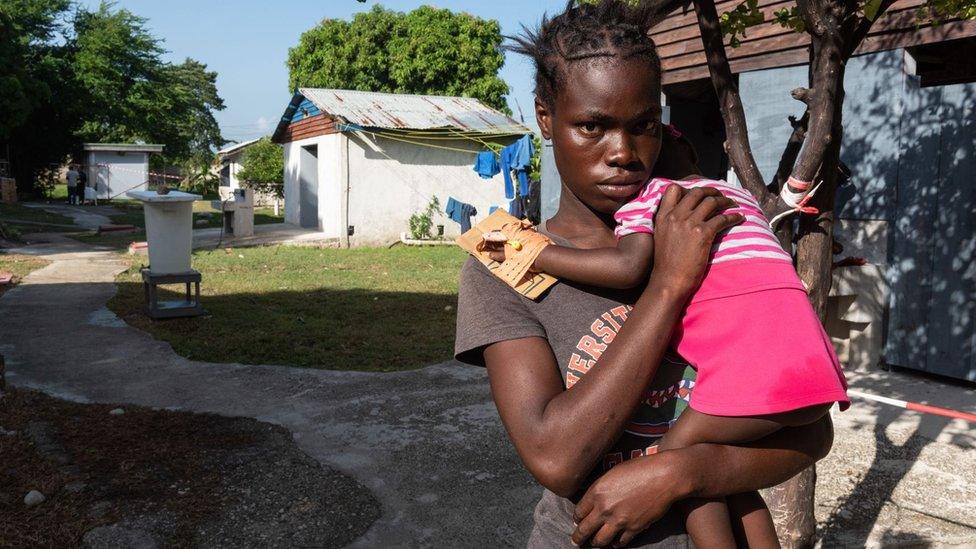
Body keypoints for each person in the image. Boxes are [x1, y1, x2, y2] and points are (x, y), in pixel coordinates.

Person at [455, 2, 836, 547]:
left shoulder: (704, 232)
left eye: (643, 127)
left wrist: (679, 473)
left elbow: (808, 425)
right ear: (545, 116)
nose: (623, 154)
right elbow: (556, 458)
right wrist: (669, 285)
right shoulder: (501, 265)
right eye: (592, 126)